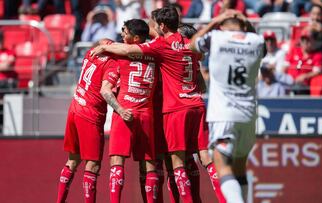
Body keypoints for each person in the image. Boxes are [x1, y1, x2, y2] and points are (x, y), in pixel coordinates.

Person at [90, 6, 223, 203]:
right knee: (203, 158)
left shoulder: (159, 46)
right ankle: (221, 199)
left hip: (172, 109)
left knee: (172, 163)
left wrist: (105, 46)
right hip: (196, 104)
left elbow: (128, 48)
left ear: (161, 26)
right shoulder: (189, 44)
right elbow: (200, 62)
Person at [190, 10, 264, 203]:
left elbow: (193, 44)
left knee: (222, 164)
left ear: (222, 26)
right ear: (244, 25)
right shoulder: (256, 41)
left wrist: (215, 21)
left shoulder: (216, 38)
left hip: (223, 113)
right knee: (240, 165)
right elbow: (257, 41)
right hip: (248, 113)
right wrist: (245, 22)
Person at [99, 19, 160, 203]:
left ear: (135, 38)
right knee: (148, 164)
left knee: (117, 162)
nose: (121, 34)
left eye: (124, 32)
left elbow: (105, 90)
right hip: (146, 115)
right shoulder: (156, 52)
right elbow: (158, 37)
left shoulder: (120, 56)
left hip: (124, 113)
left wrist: (120, 109)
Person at [56, 39, 119, 203]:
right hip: (90, 114)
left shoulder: (90, 53)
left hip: (75, 107)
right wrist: (120, 109)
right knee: (93, 165)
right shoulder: (112, 64)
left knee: (73, 160)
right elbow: (106, 91)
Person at [285, 28, 322, 95]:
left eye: (308, 40)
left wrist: (305, 76)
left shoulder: (317, 55)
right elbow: (285, 66)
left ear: (313, 41)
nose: (305, 42)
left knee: (298, 87)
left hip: (303, 84)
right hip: (288, 80)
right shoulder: (294, 51)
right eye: (303, 40)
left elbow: (317, 71)